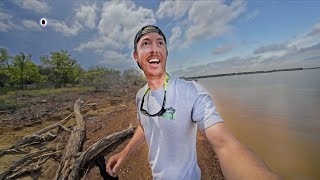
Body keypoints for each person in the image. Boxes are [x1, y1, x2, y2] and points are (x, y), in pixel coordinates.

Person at [106, 25, 280, 180]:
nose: (154, 49)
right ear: (136, 56)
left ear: (166, 53)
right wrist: (124, 153)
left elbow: (225, 144)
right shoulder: (141, 95)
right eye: (146, 43)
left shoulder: (191, 91)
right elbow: (145, 125)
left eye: (160, 43)